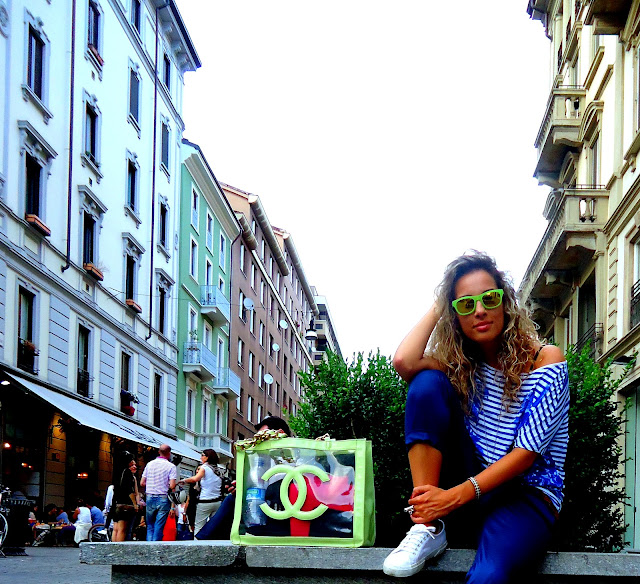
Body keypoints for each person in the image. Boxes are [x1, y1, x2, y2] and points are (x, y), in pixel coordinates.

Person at [382, 251, 569, 583]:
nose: (479, 310)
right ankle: (427, 526)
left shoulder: (545, 359)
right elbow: (405, 362)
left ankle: (437, 515)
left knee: (487, 577)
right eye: (466, 304)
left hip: (527, 496)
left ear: (505, 304)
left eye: (489, 299)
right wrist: (443, 300)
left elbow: (525, 455)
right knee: (426, 383)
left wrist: (450, 498)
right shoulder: (463, 367)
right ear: (455, 315)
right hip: (472, 486)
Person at [195, 416, 291, 540]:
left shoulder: (292, 459)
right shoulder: (266, 460)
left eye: (263, 437)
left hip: (281, 514)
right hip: (264, 511)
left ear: (280, 433)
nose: (259, 442)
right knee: (233, 499)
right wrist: (243, 488)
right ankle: (207, 538)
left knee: (232, 501)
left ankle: (204, 538)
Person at [179, 449, 224, 533]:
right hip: (217, 502)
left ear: (207, 457)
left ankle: (198, 541)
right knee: (214, 527)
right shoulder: (218, 470)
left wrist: (184, 480)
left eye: (202, 455)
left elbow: (195, 479)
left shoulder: (204, 468)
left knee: (199, 526)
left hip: (205, 501)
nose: (201, 457)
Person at [140, 444, 177, 541]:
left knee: (150, 525)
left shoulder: (149, 464)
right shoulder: (171, 466)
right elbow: (172, 486)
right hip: (163, 497)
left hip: (149, 496)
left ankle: (149, 546)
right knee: (159, 526)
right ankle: (155, 546)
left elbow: (142, 483)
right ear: (169, 453)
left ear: (159, 452)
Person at [111, 456, 140, 542]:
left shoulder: (118, 473)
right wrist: (135, 504)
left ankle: (113, 547)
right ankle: (119, 548)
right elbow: (130, 491)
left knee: (115, 529)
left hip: (116, 504)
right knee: (122, 529)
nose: (134, 466)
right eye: (132, 464)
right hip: (125, 504)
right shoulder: (128, 474)